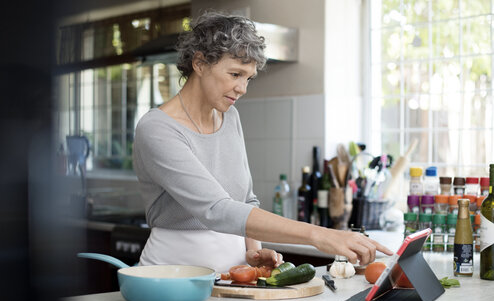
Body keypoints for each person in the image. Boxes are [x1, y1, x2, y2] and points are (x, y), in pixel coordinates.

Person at [132, 11, 392, 273]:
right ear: (199, 63)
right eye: (235, 74)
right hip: (171, 276)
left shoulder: (229, 117)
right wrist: (321, 235)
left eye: (248, 78)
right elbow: (215, 209)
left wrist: (252, 252)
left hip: (233, 277)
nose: (242, 88)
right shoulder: (157, 128)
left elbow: (245, 200)